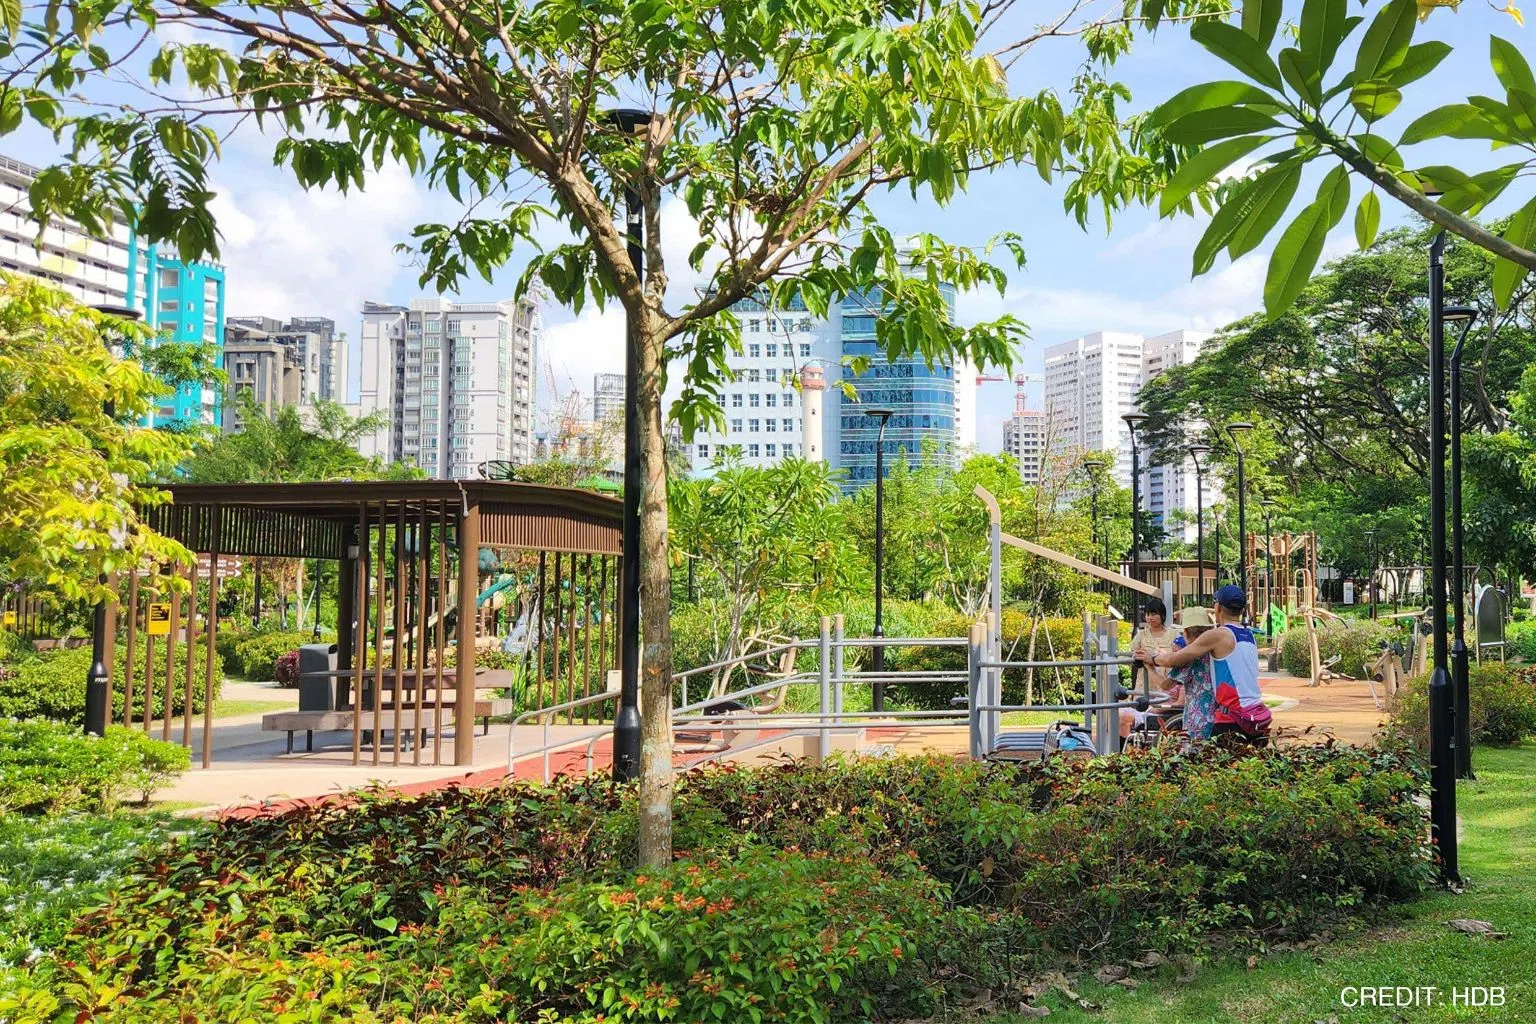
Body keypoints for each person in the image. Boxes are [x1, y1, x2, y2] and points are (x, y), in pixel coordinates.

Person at [1137, 585, 1269, 744]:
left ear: (1218, 607)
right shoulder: (1248, 634)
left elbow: (1173, 660)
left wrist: (1151, 658)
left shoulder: (1218, 635)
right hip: (1253, 715)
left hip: (1231, 718)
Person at [1121, 598, 1175, 744]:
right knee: (1139, 712)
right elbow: (1133, 652)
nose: (1150, 618)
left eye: (1154, 614)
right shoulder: (1142, 634)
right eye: (1147, 614)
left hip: (1165, 681)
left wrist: (1159, 654)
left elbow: (1177, 654)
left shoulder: (1173, 634)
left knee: (1160, 712)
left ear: (1162, 615)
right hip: (1144, 681)